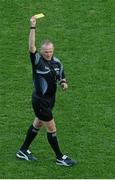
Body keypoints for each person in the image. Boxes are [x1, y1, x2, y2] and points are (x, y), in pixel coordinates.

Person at [16, 16, 75, 167]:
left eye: (50, 51)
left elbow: (61, 76)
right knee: (51, 127)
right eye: (45, 51)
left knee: (37, 123)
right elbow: (31, 47)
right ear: (41, 51)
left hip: (50, 100)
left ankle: (23, 150)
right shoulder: (37, 61)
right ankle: (59, 157)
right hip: (40, 100)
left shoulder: (57, 62)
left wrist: (63, 83)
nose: (48, 54)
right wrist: (32, 27)